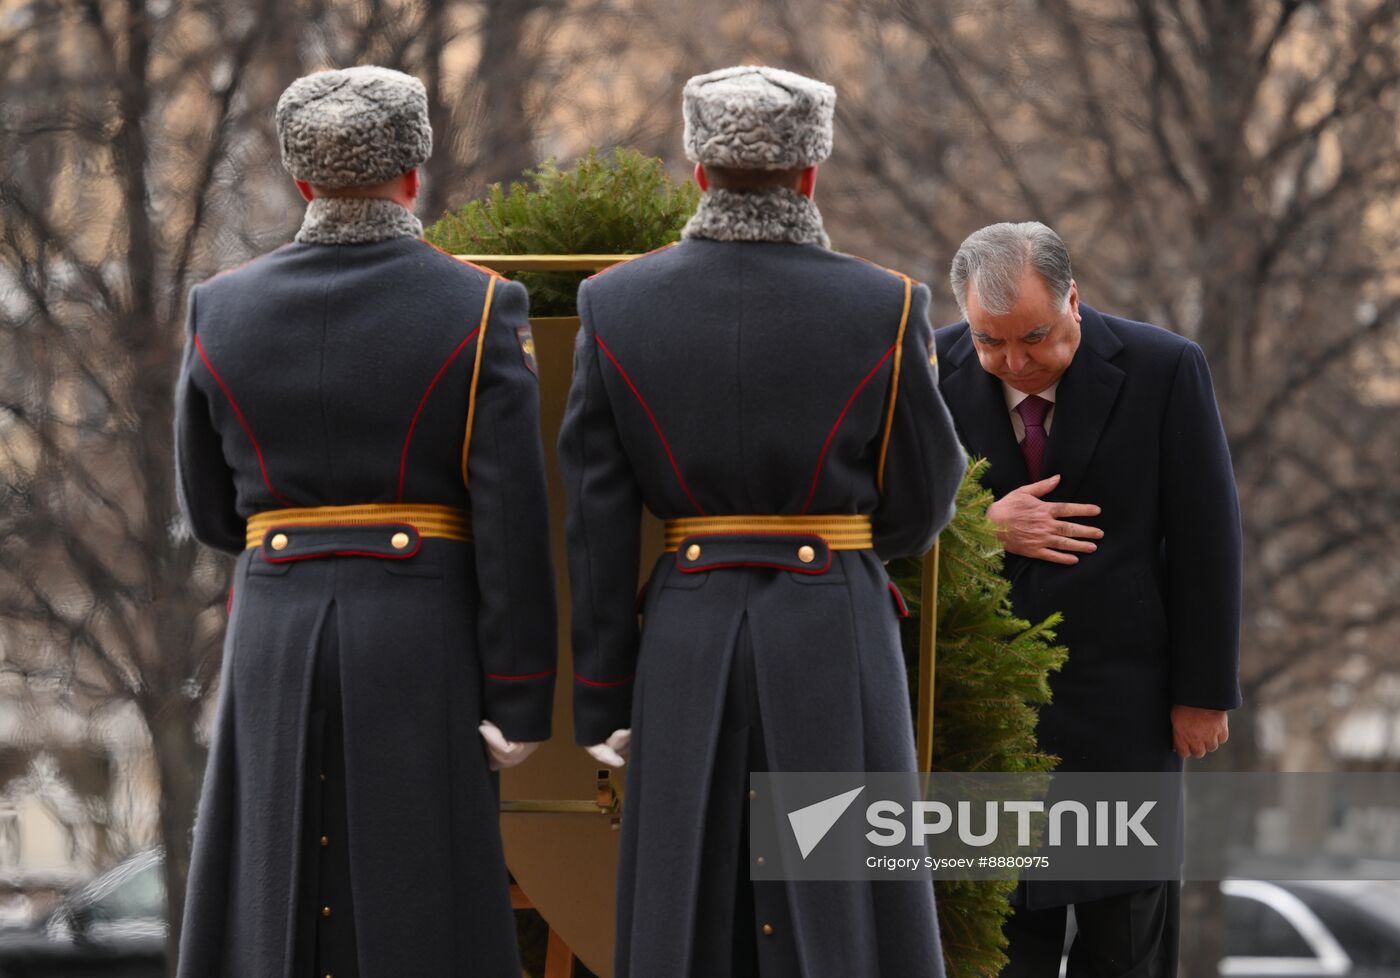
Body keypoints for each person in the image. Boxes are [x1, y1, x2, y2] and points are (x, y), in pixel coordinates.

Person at [558, 65, 967, 978]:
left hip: (687, 630)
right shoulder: (888, 303)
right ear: (810, 175)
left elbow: (596, 520)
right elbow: (925, 495)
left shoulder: (612, 304)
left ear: (699, 171)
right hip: (835, 622)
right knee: (847, 903)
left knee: (683, 904)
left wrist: (603, 693)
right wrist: (844, 551)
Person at [173, 66, 556, 977]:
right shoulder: (480, 305)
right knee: (421, 900)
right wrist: (518, 695)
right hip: (420, 633)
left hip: (274, 627)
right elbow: (511, 523)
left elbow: (213, 516)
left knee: (271, 887)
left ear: (302, 180)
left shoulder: (220, 307)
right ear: (413, 175)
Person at [934, 221, 1242, 976]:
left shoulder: (1165, 367)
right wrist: (978, 526)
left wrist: (1203, 694)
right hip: (979, 723)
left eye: (1034, 337)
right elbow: (882, 522)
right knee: (995, 956)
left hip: (1123, 716)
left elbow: (1206, 537)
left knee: (1126, 948)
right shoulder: (924, 371)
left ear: (1072, 299)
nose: (1015, 362)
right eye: (989, 342)